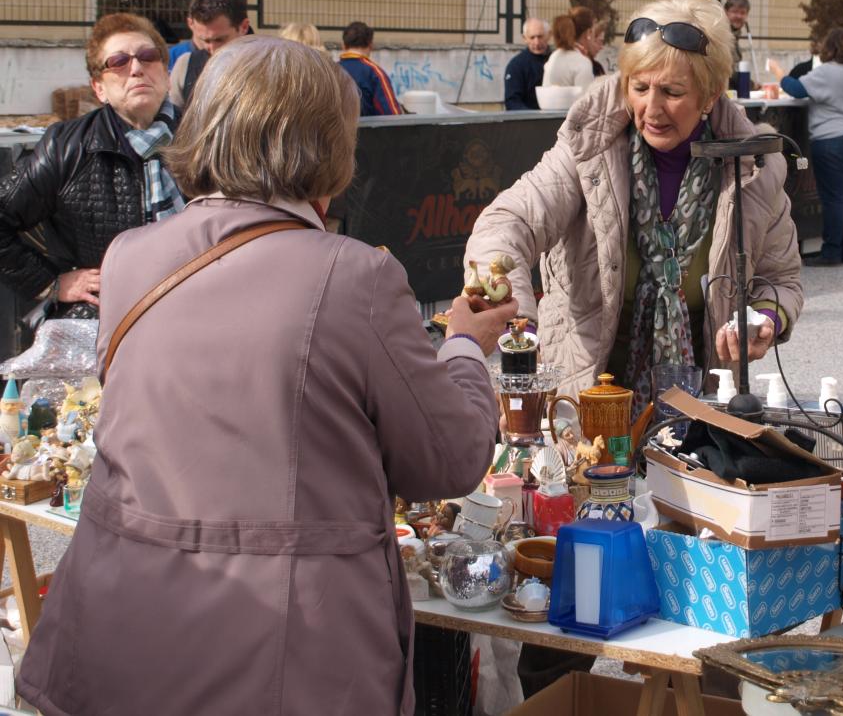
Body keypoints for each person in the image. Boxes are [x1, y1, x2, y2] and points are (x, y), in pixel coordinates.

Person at [16, 36, 516, 716]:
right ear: (329, 148)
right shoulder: (353, 276)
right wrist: (463, 344)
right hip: (275, 657)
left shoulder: (132, 255)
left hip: (122, 633)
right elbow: (450, 457)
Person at [465, 0, 804, 402]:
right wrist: (517, 319)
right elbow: (506, 223)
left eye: (672, 92)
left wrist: (766, 317)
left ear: (711, 95)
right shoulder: (590, 148)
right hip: (585, 394)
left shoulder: (752, 168)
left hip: (704, 401)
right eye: (639, 87)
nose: (651, 108)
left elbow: (781, 279)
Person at [0, 13, 181, 320]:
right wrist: (50, 283)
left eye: (148, 57)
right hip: (106, 321)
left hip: (196, 311)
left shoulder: (205, 138)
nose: (136, 69)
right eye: (119, 62)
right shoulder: (67, 147)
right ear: (99, 88)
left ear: (165, 73)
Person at [781, 28, 843, 265]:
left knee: (833, 198)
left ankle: (832, 252)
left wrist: (779, 74)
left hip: (831, 140)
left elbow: (795, 89)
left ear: (828, 48)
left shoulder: (825, 72)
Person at [169, 0, 251, 108]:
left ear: (243, 27)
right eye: (205, 41)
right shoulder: (185, 66)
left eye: (220, 40)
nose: (213, 49)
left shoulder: (269, 67)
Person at [339, 20, 403, 116]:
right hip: (365, 131)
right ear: (370, 45)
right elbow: (393, 115)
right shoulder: (375, 73)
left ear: (343, 46)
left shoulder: (330, 71)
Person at [541, 9, 599, 89]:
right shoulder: (581, 62)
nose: (595, 38)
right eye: (594, 33)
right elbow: (587, 99)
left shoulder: (555, 55)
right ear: (588, 33)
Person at [504, 17, 551, 110]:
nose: (536, 42)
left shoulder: (555, 60)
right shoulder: (516, 65)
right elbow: (512, 101)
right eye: (532, 37)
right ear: (525, 38)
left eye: (540, 36)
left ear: (549, 35)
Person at [724, 0, 758, 89]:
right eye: (734, 12)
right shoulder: (722, 36)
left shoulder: (734, 35)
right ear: (726, 13)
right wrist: (750, 85)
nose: (738, 16)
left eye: (742, 13)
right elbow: (728, 71)